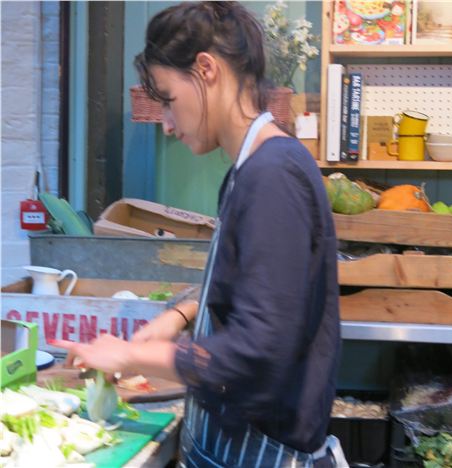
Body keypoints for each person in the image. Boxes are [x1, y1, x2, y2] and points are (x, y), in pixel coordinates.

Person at [54, 2, 345, 466]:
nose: (167, 124)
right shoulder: (250, 168)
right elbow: (260, 288)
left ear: (206, 69)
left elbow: (256, 354)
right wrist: (180, 316)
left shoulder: (273, 175)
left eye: (168, 98)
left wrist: (128, 354)